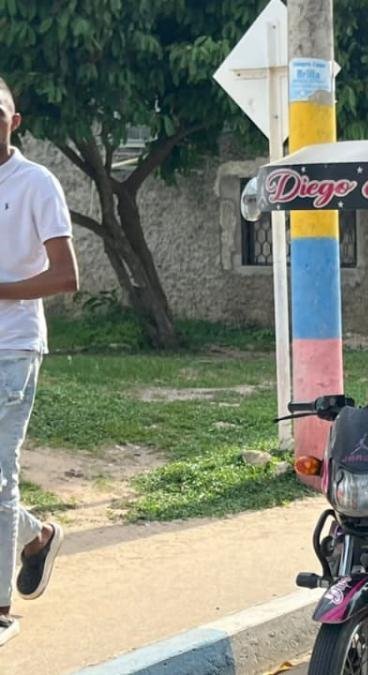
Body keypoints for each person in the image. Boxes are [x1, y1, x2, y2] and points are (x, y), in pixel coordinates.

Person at [0, 76, 78, 647]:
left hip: (13, 347)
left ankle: (0, 609)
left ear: (14, 119)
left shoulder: (36, 183)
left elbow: (66, 275)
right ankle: (36, 535)